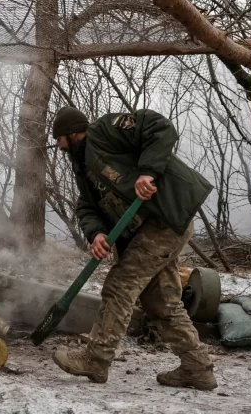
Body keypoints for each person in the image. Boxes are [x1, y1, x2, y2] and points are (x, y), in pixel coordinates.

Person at [50, 107, 217, 390]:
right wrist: (97, 233)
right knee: (160, 300)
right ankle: (197, 367)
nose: (58, 146)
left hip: (164, 217)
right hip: (147, 229)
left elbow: (159, 126)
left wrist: (147, 172)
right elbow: (87, 206)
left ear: (72, 132)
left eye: (59, 139)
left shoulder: (104, 130)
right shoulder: (82, 167)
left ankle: (96, 358)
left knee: (120, 283)